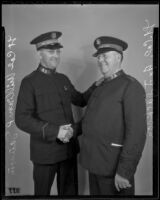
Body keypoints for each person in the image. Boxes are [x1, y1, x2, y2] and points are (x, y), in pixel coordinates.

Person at [15, 31, 98, 196]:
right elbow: (21, 118)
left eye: (58, 51)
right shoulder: (29, 82)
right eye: (50, 52)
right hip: (45, 153)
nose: (56, 56)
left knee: (69, 193)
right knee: (42, 194)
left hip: (68, 151)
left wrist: (97, 85)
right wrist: (56, 131)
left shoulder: (63, 79)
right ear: (39, 53)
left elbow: (80, 100)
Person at [79, 36, 147, 195]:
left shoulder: (131, 86)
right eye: (99, 57)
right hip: (93, 163)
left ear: (118, 57)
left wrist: (124, 171)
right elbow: (91, 121)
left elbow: (136, 134)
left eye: (105, 56)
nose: (101, 60)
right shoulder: (101, 85)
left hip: (114, 168)